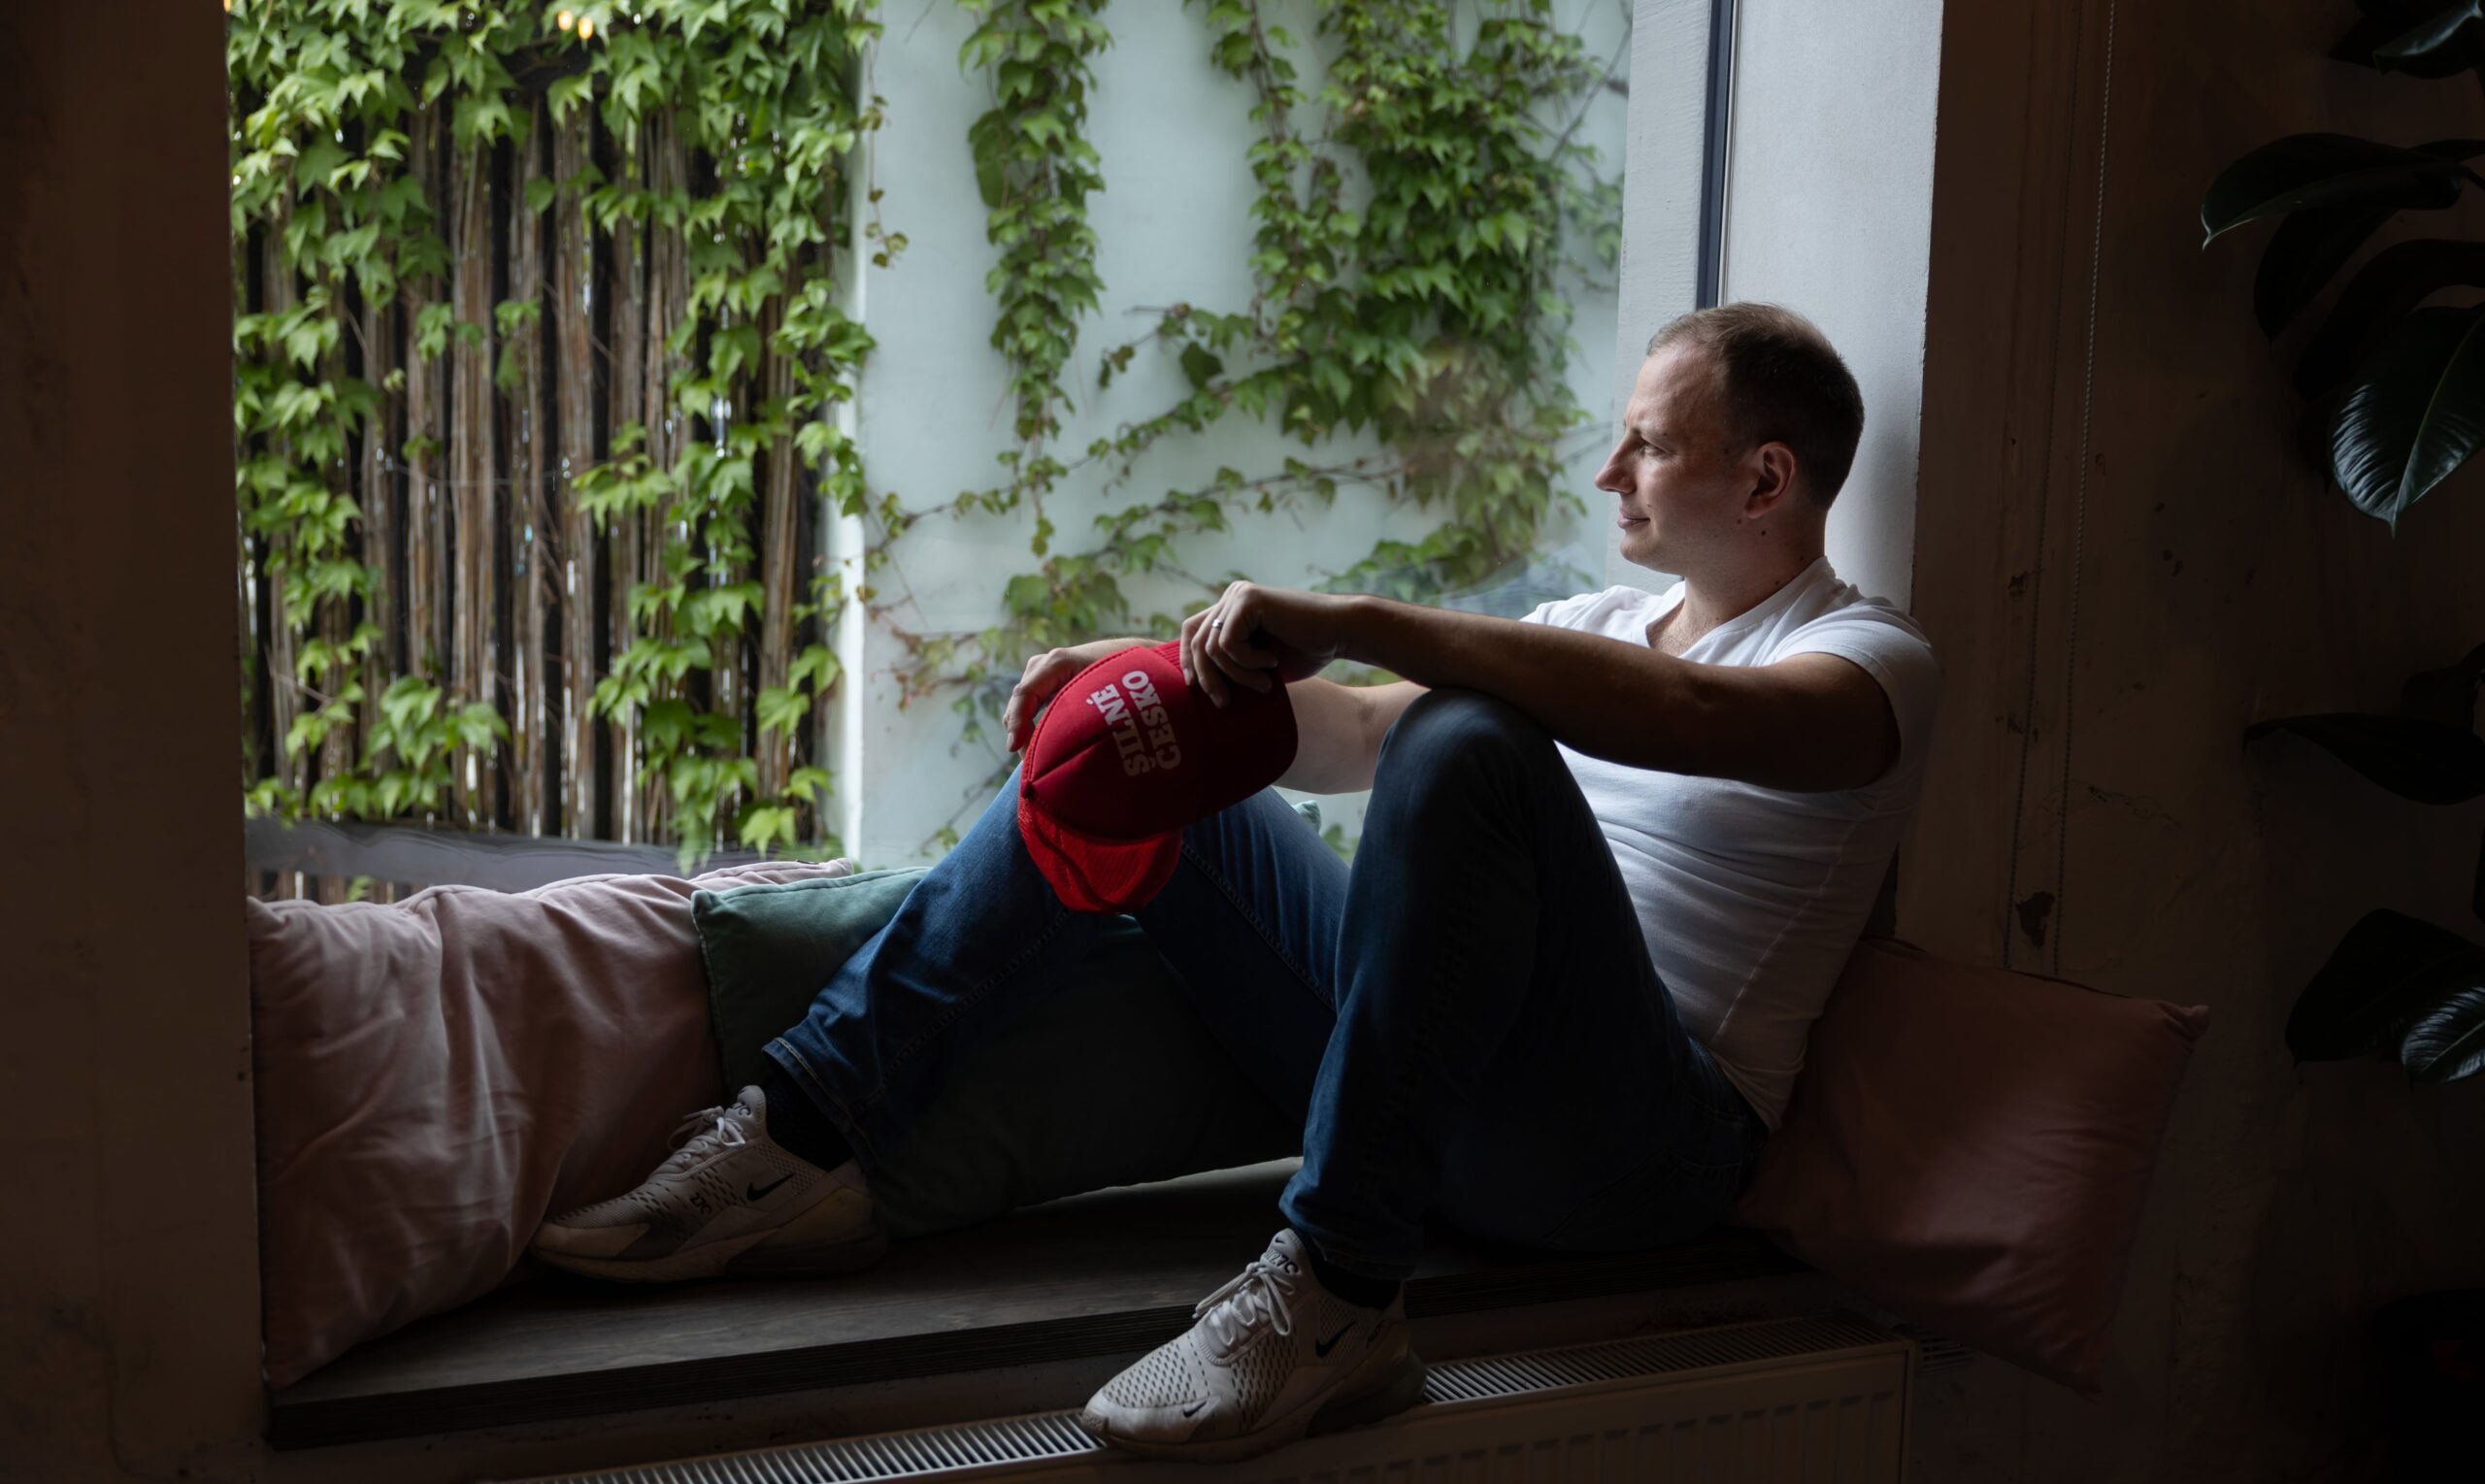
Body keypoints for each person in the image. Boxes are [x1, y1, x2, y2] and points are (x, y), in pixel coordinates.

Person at [531, 302, 1941, 1464]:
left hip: (1634, 1148)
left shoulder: (1869, 661)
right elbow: (1351, 731)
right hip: (1437, 1087)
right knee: (1131, 753)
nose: (1608, 472)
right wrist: (1143, 675)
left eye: (1649, 443)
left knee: (1469, 735)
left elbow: (1686, 719)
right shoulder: (1601, 623)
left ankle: (1338, 1294)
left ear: (1765, 480)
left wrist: (1357, 614)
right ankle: (802, 1139)